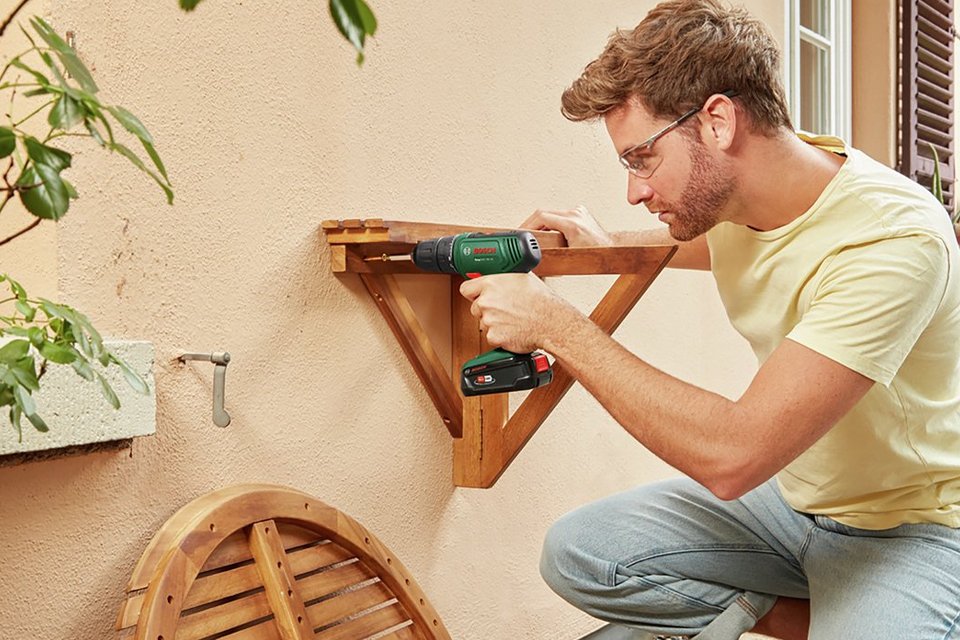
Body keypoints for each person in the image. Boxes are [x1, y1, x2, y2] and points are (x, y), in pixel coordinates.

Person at [458, 1, 960, 639]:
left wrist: (556, 326)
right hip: (795, 502)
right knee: (581, 555)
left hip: (913, 528)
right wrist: (603, 245)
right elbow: (703, 241)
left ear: (718, 121)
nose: (635, 190)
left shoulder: (892, 240)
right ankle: (804, 614)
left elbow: (735, 456)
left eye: (642, 158)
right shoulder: (750, 199)